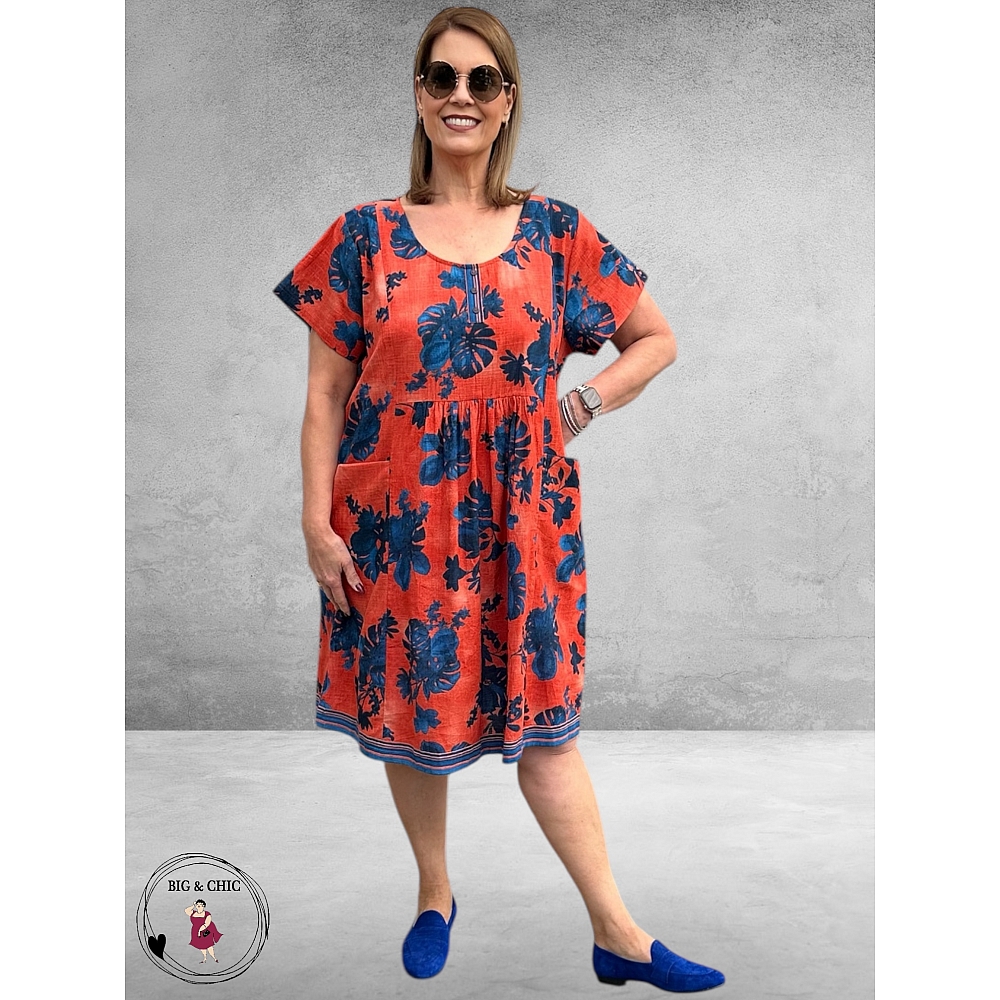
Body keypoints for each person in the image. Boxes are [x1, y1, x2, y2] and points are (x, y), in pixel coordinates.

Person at [274, 6, 725, 992]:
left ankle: (617, 933)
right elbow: (323, 398)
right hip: (394, 523)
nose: (462, 96)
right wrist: (314, 523)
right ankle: (435, 892)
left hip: (525, 524)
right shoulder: (361, 237)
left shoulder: (557, 233)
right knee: (415, 718)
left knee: (547, 734)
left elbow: (656, 338)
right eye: (443, 77)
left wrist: (582, 403)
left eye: (482, 80)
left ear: (507, 100)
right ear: (419, 94)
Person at [184, 899, 222, 963]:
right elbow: (186, 910)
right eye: (197, 904)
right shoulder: (193, 913)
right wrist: (193, 905)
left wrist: (200, 930)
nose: (199, 906)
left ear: (203, 906)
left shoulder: (207, 914)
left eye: (201, 904)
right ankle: (205, 958)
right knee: (201, 946)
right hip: (195, 931)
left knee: (209, 945)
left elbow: (207, 923)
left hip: (206, 931)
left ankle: (214, 958)